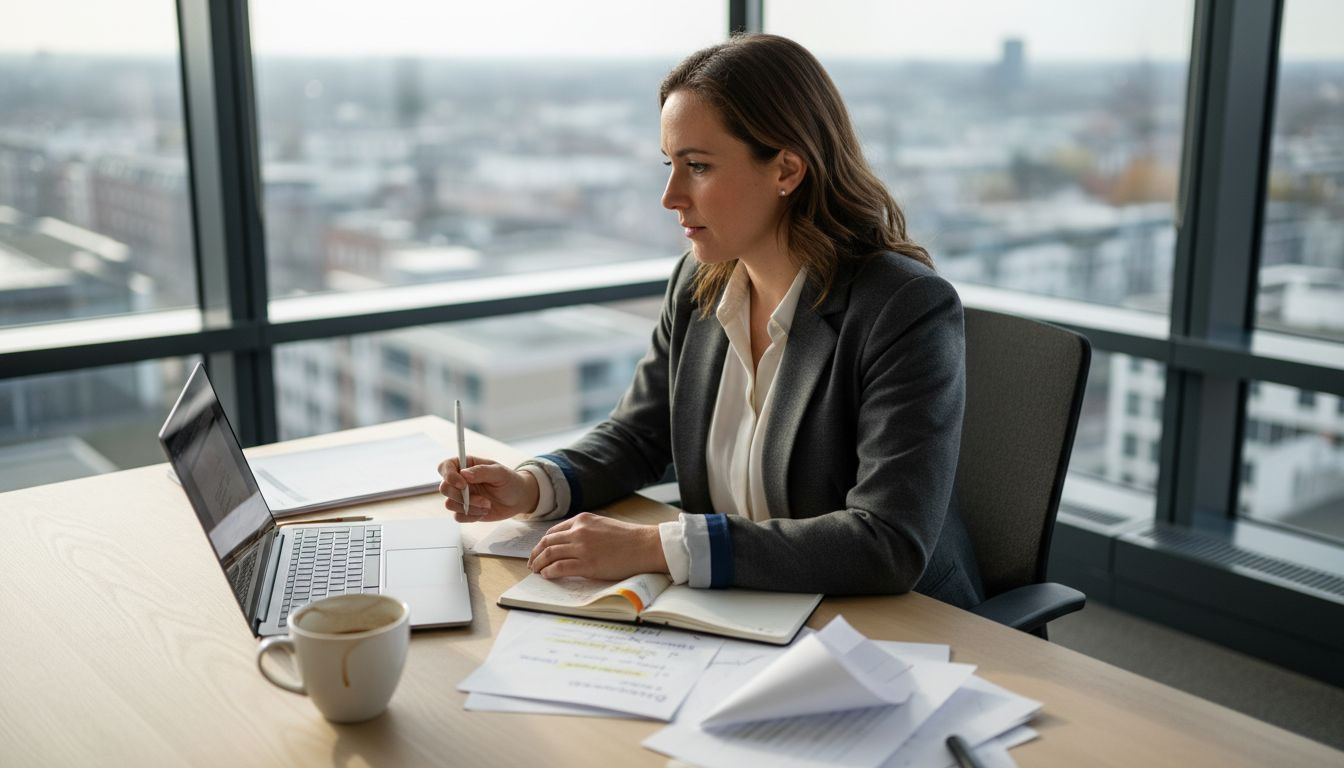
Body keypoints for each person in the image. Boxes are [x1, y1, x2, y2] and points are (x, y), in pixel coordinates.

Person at [438, 33, 984, 608]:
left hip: (892, 626)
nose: (670, 196)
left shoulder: (903, 307)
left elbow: (887, 541)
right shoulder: (700, 283)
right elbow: (641, 434)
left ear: (787, 169)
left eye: (697, 166)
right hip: (743, 609)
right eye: (670, 164)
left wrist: (659, 546)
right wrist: (529, 485)